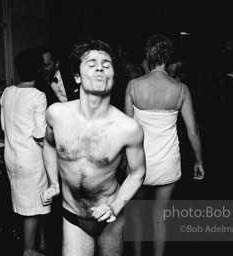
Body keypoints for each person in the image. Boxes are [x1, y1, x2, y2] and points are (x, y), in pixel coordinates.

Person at [41, 38, 146, 256]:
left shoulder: (128, 128)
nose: (100, 67)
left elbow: (137, 172)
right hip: (72, 214)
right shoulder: (56, 114)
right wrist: (53, 182)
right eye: (91, 63)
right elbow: (49, 145)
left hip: (110, 216)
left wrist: (115, 206)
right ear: (77, 77)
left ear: (113, 77)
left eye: (106, 65)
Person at [124, 34, 204, 256]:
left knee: (137, 214)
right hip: (167, 161)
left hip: (139, 161)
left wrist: (124, 160)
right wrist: (199, 161)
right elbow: (193, 132)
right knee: (160, 217)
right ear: (168, 58)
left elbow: (127, 130)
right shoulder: (180, 89)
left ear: (148, 57)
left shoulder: (133, 85)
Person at [1, 48, 50, 256]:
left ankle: (41, 240)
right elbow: (40, 135)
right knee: (32, 206)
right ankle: (29, 250)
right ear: (39, 69)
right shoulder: (37, 96)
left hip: (11, 156)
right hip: (30, 158)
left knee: (29, 200)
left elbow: (4, 126)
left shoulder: (7, 92)